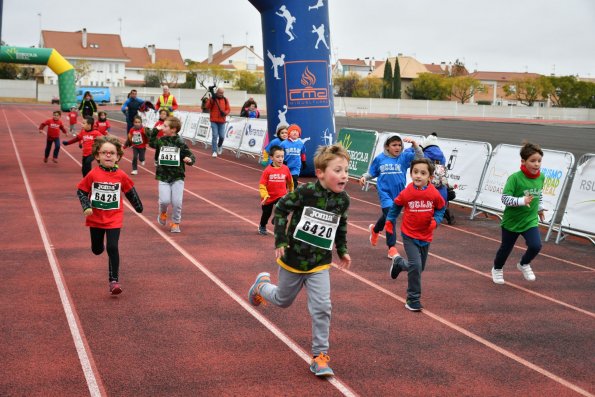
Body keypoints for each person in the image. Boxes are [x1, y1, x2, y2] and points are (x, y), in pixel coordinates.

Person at [248, 144, 351, 377]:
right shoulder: (304, 193)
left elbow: (340, 225)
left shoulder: (343, 200)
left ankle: (320, 356)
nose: (344, 175)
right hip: (293, 259)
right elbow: (282, 209)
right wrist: (281, 241)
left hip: (319, 263)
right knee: (282, 301)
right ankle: (261, 286)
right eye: (338, 170)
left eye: (346, 170)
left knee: (323, 307)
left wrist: (342, 249)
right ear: (320, 173)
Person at [76, 135, 143, 295]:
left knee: (113, 247)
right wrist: (86, 206)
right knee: (97, 249)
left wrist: (138, 206)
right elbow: (81, 191)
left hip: (114, 217)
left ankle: (114, 281)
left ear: (118, 157)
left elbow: (129, 191)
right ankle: (99, 246)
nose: (108, 155)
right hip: (96, 218)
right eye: (104, 152)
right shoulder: (93, 174)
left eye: (112, 153)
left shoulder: (121, 175)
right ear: (97, 156)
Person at [385, 158, 446, 312]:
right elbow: (396, 206)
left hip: (425, 236)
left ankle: (398, 263)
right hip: (409, 235)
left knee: (419, 268)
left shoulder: (434, 193)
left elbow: (441, 208)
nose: (418, 176)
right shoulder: (407, 192)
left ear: (430, 178)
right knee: (416, 266)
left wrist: (436, 221)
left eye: (423, 173)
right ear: (411, 173)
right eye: (415, 172)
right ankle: (412, 299)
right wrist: (389, 221)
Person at [359, 134, 423, 261]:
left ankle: (375, 230)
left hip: (399, 195)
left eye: (399, 145)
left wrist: (415, 144)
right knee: (391, 218)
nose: (397, 147)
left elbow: (420, 157)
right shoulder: (380, 159)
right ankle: (391, 247)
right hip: (385, 194)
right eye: (394, 145)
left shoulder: (404, 157)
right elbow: (372, 172)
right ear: (387, 147)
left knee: (388, 216)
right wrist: (364, 177)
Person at [491, 142, 545, 285]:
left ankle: (524, 264)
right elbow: (505, 198)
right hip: (512, 221)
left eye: (539, 161)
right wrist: (522, 201)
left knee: (536, 245)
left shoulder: (541, 177)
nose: (536, 164)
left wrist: (539, 208)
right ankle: (497, 268)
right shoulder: (515, 178)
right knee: (506, 249)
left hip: (530, 220)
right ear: (523, 161)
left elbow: (538, 195)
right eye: (532, 161)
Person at [148, 116, 195, 233]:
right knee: (164, 201)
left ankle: (175, 222)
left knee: (177, 202)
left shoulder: (180, 142)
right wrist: (155, 130)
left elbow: (191, 155)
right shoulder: (161, 141)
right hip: (163, 176)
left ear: (173, 129)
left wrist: (189, 160)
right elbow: (151, 143)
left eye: (165, 126)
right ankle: (163, 212)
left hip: (177, 176)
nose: (162, 127)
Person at [258, 145, 294, 235]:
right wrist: (264, 195)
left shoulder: (285, 169)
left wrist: (291, 191)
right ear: (272, 158)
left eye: (282, 156)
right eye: (278, 157)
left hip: (281, 195)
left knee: (285, 208)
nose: (280, 159)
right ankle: (262, 226)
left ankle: (277, 217)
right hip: (268, 197)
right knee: (266, 213)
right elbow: (262, 185)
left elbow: (290, 181)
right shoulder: (267, 171)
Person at [421, 132, 455, 225]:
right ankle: (445, 215)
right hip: (441, 186)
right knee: (441, 203)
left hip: (427, 184)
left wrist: (419, 147)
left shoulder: (424, 154)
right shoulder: (442, 156)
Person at [205, 87, 230, 158]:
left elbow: (228, 109)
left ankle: (219, 145)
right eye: (220, 93)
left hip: (222, 121)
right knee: (215, 135)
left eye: (222, 93)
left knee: (222, 136)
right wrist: (211, 100)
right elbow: (207, 106)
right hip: (214, 120)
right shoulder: (212, 99)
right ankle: (214, 151)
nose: (221, 94)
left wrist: (225, 113)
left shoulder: (225, 100)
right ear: (217, 92)